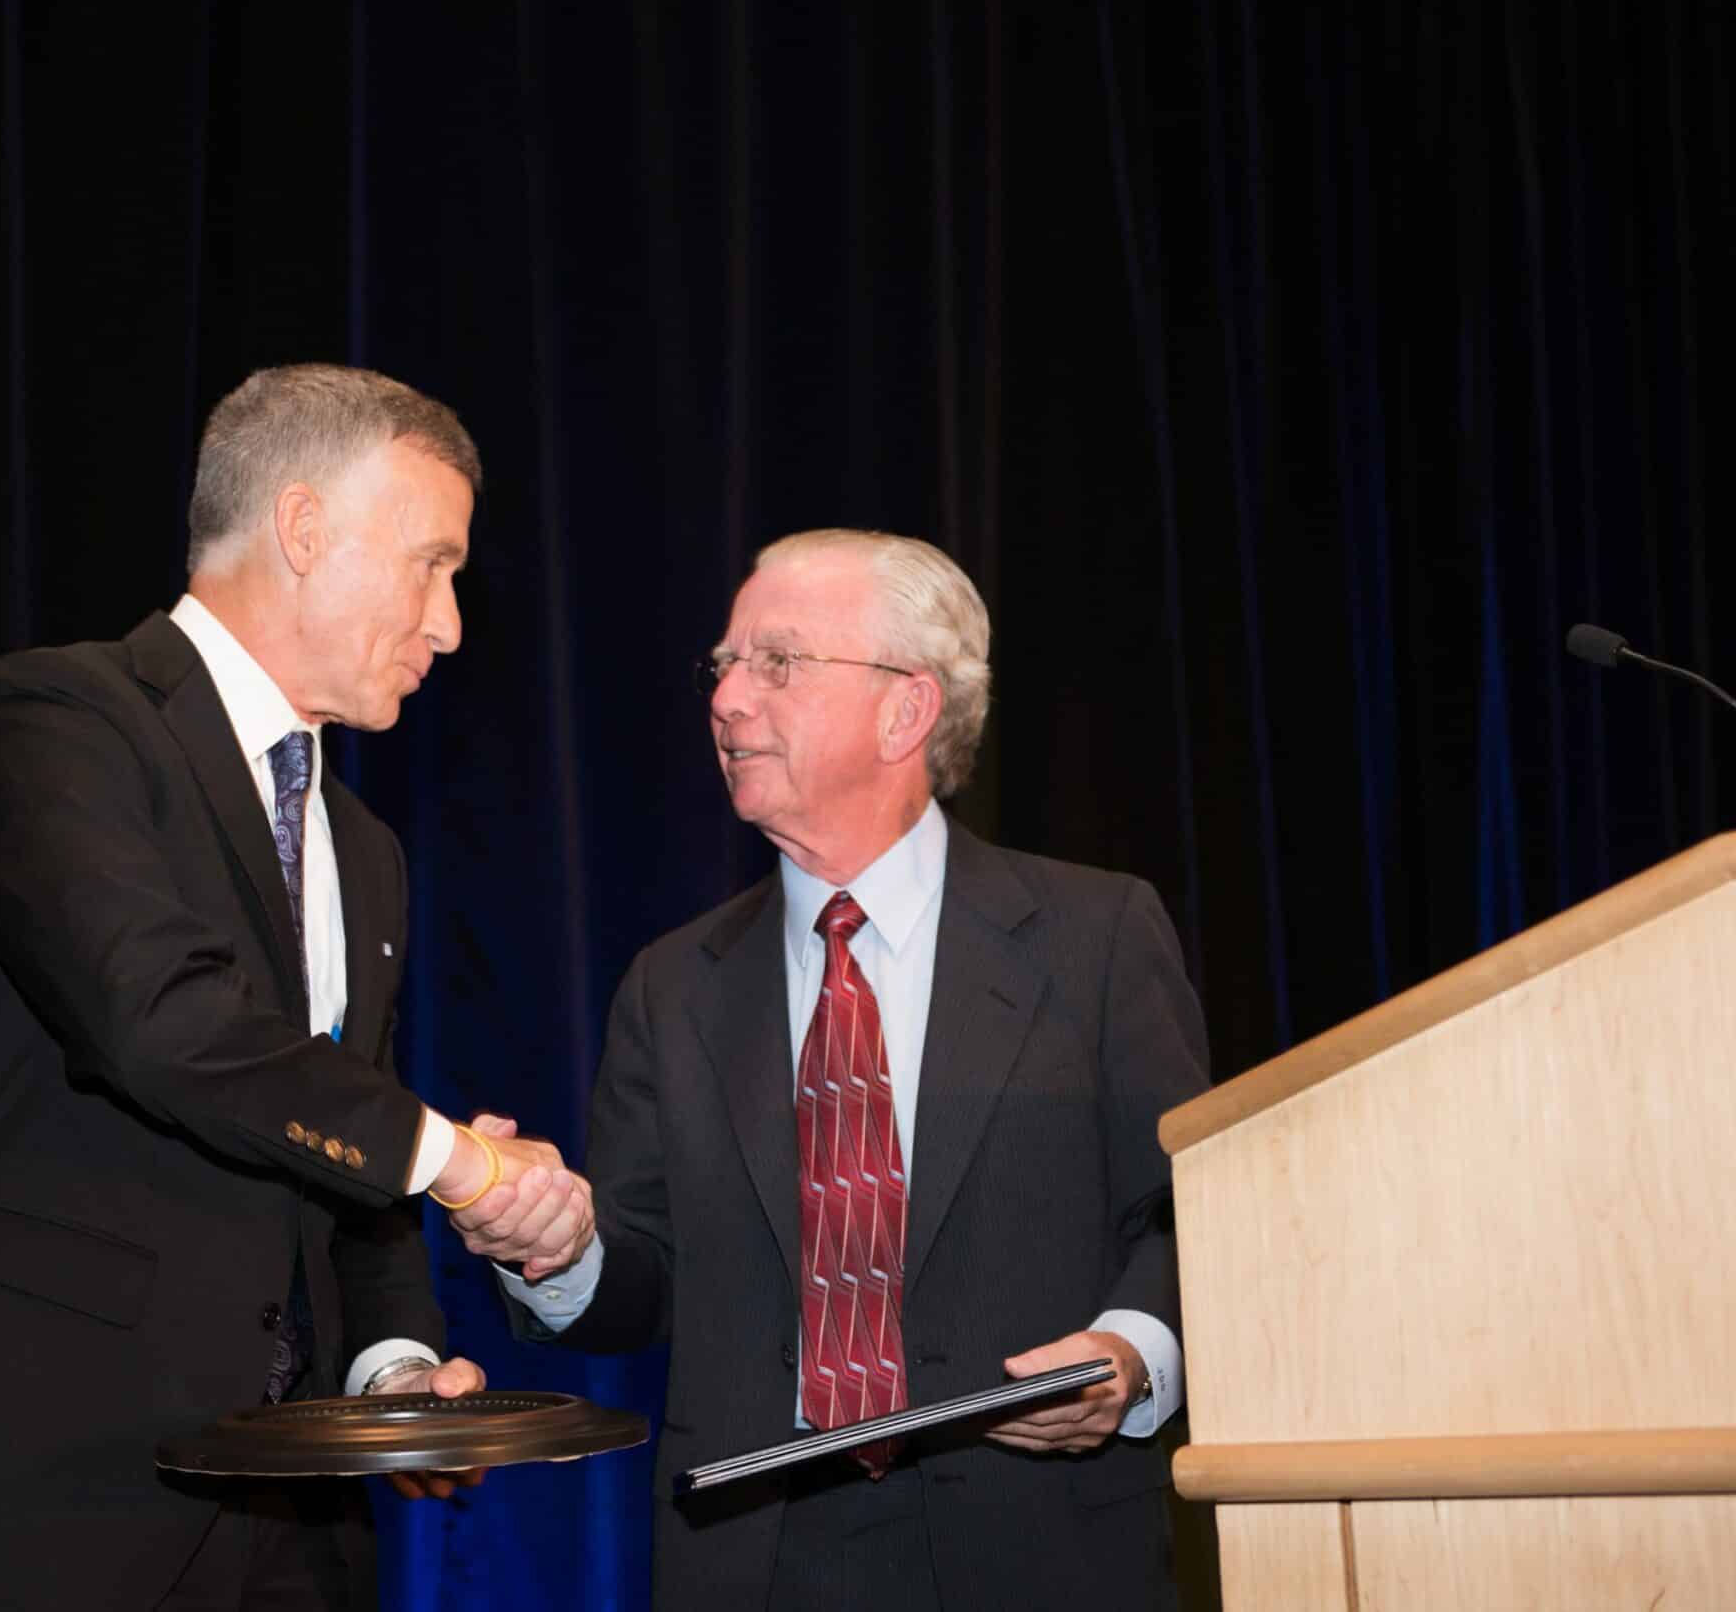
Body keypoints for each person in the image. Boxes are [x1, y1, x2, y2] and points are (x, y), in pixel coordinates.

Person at [0, 365, 593, 1612]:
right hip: (56, 1496)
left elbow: (336, 1136)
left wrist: (393, 1373)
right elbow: (165, 1020)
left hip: (294, 1523)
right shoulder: (60, 718)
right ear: (303, 527)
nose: (449, 624)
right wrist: (464, 1161)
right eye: (431, 565)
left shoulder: (364, 846)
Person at [453, 529, 1212, 1610]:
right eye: (724, 666)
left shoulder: (1094, 938)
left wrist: (1127, 1356)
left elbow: (1189, 1210)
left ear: (907, 708)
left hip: (1039, 1544)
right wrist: (556, 1245)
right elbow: (643, 1279)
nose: (727, 701)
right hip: (753, 1556)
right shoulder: (673, 983)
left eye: (777, 662)